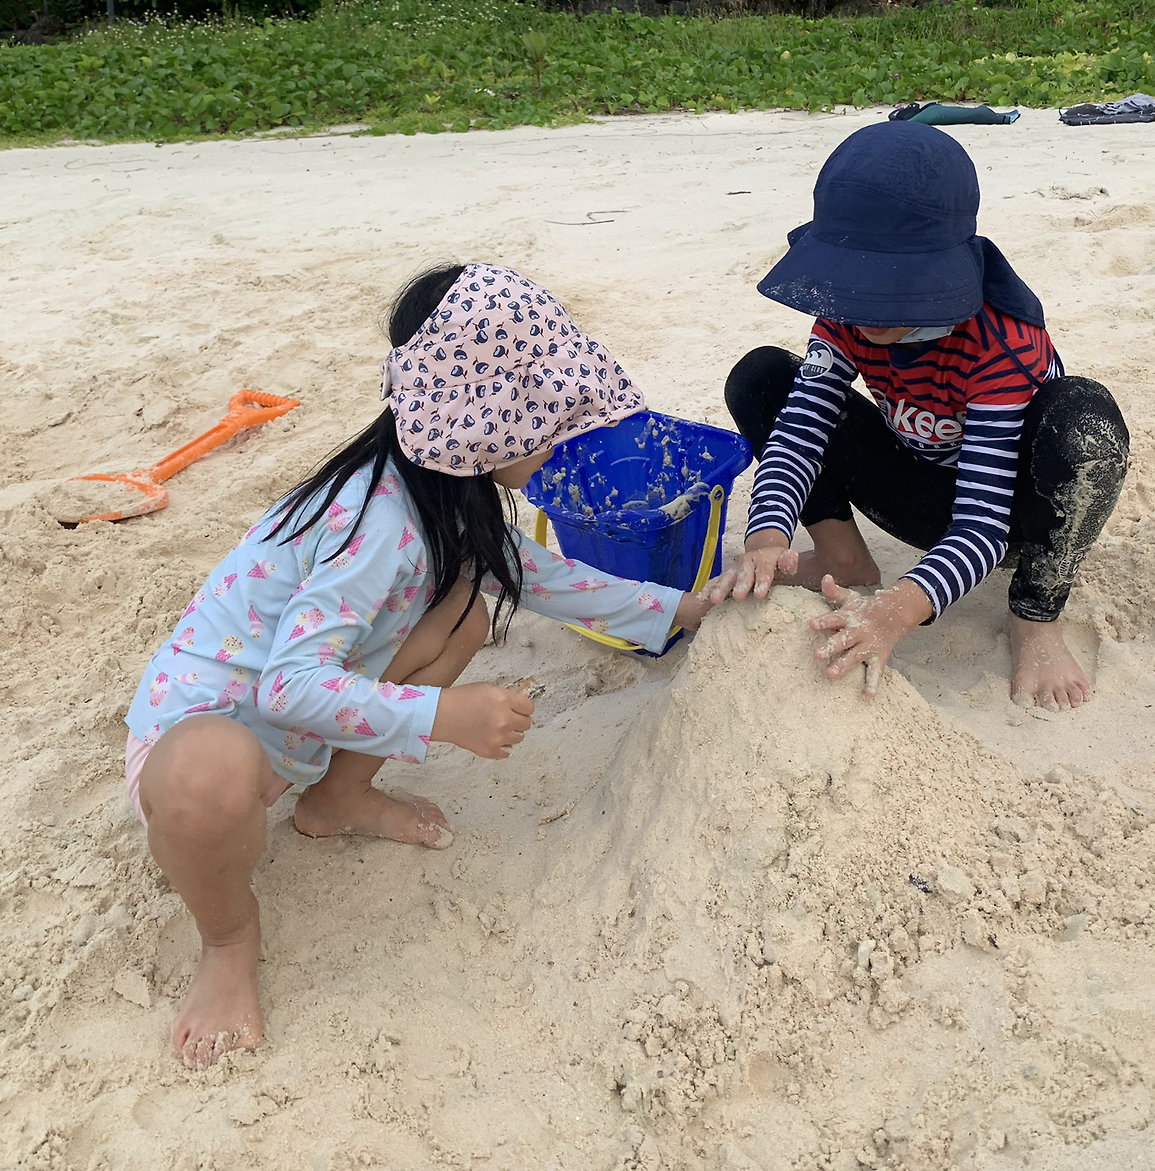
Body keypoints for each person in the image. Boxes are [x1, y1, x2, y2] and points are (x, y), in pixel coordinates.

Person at [125, 263, 716, 1070]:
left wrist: (685, 610)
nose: (559, 438)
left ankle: (335, 799)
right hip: (208, 750)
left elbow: (541, 577)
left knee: (469, 606)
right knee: (208, 770)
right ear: (487, 427)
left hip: (298, 729)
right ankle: (228, 939)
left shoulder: (443, 495)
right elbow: (286, 687)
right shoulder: (372, 520)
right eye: (546, 418)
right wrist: (447, 717)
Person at [706, 122, 1128, 712]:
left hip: (1007, 507)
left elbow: (982, 523)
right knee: (762, 378)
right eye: (853, 286)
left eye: (889, 290)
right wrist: (766, 537)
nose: (865, 312)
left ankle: (1034, 614)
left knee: (1085, 427)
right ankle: (842, 559)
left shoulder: (1001, 342)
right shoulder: (847, 314)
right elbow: (800, 432)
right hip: (922, 484)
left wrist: (896, 612)